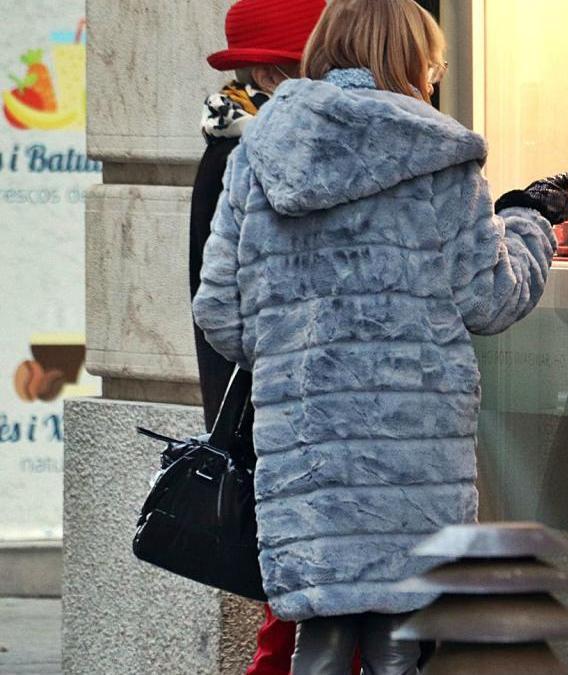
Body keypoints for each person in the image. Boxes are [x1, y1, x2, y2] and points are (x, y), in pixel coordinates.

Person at [192, 0, 568, 672]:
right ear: (409, 59)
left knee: (320, 641)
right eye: (432, 63)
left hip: (307, 460)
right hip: (412, 469)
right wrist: (528, 218)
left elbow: (220, 311)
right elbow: (492, 295)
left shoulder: (256, 151)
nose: (433, 78)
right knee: (402, 646)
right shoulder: (442, 157)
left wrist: (299, 355)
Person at [187, 1, 340, 673]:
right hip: (282, 417)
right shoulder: (251, 153)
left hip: (275, 413)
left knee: (297, 617)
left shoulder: (242, 141)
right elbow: (223, 308)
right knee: (296, 622)